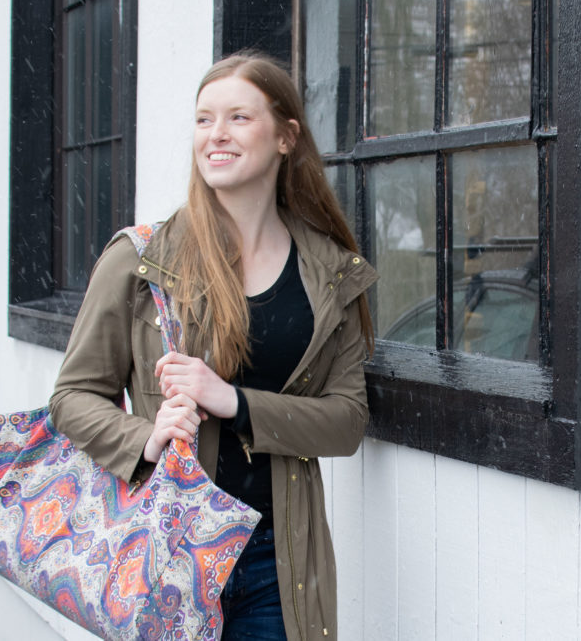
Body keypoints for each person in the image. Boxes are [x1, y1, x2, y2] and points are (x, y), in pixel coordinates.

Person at [49, 51, 377, 641]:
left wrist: (234, 402)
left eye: (238, 118)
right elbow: (73, 397)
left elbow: (347, 421)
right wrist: (144, 436)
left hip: (279, 559)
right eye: (204, 120)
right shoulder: (142, 260)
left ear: (286, 137)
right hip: (167, 549)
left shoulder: (330, 274)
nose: (215, 136)